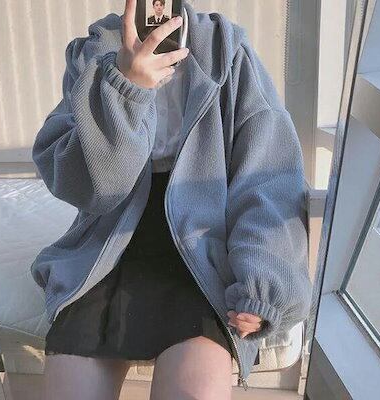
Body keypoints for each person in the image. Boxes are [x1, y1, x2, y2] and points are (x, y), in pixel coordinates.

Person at [32, 0, 313, 398]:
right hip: (109, 242)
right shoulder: (93, 54)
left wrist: (263, 282)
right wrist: (125, 89)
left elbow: (269, 176)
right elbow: (93, 190)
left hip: (203, 245)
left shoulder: (227, 52)